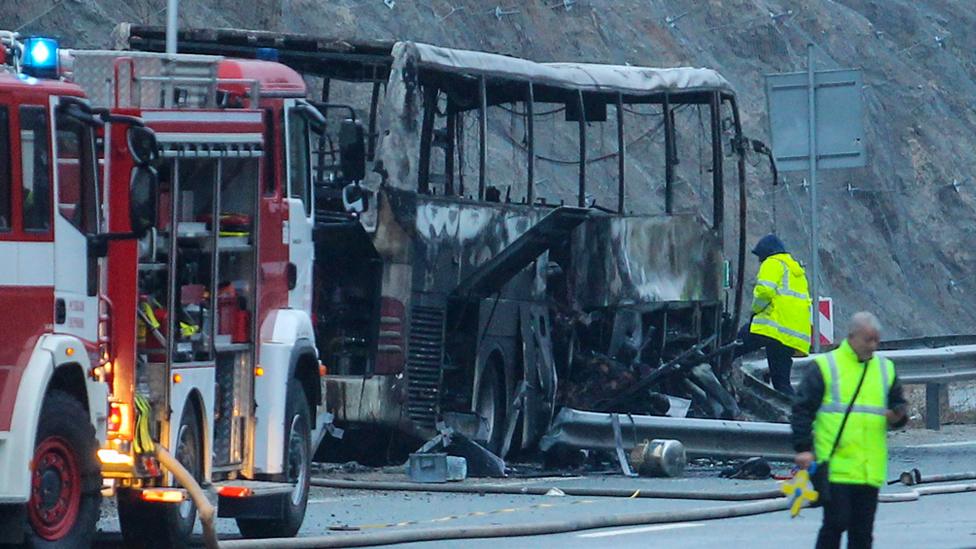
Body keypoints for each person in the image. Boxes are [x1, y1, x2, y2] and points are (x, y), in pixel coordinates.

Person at [791, 312, 908, 549]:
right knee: (836, 523)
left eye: (877, 340)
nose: (873, 346)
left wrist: (897, 417)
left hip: (868, 468)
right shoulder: (826, 366)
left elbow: (898, 407)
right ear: (852, 337)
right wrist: (803, 448)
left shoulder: (885, 369)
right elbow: (802, 409)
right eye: (868, 340)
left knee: (862, 533)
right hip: (835, 465)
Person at [733, 234, 811, 395]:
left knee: (732, 347)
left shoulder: (772, 263)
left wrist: (755, 310)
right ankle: (795, 413)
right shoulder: (796, 271)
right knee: (781, 382)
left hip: (771, 327)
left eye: (760, 257)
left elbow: (765, 292)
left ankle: (716, 374)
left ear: (766, 253)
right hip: (790, 335)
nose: (760, 261)